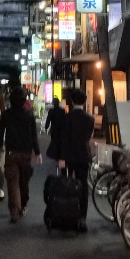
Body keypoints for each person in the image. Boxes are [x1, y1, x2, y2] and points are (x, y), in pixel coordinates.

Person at [0, 87, 42, 223]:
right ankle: (23, 205)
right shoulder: (29, 115)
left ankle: (14, 210)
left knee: (12, 182)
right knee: (24, 181)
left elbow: (0, 132)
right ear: (24, 100)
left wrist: (1, 145)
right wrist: (37, 152)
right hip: (26, 152)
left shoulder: (6, 114)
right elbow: (34, 135)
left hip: (11, 152)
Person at [57, 88, 95, 231]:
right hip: (83, 155)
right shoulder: (90, 119)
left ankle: (66, 214)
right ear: (84, 102)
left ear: (72, 101)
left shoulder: (67, 118)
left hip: (68, 156)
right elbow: (87, 138)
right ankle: (82, 217)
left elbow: (63, 139)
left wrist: (61, 157)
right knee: (83, 186)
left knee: (66, 184)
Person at [45, 96, 66, 164]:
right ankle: (60, 154)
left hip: (54, 129)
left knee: (54, 141)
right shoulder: (62, 110)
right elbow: (64, 120)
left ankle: (55, 154)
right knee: (60, 141)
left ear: (53, 103)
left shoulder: (51, 111)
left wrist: (46, 126)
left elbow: (48, 119)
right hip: (61, 129)